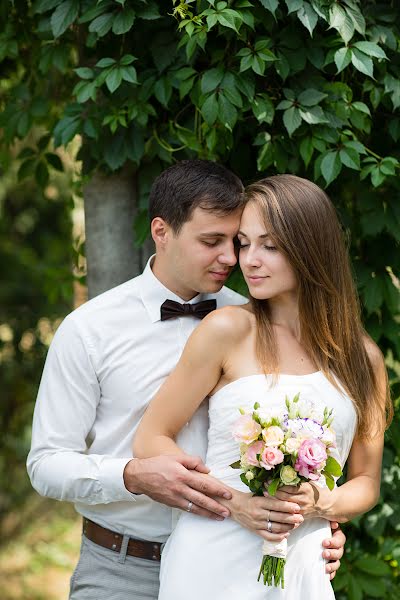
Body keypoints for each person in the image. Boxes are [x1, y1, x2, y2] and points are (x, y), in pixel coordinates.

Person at [27, 162, 345, 600]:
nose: (231, 258)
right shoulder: (89, 330)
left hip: (238, 564)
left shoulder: (258, 321)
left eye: (234, 242)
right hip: (122, 568)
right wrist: (131, 475)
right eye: (210, 242)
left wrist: (313, 528)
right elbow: (45, 464)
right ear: (162, 231)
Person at [134, 174, 392, 599]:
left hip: (303, 564)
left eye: (269, 246)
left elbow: (364, 482)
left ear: (311, 248)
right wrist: (233, 503)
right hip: (210, 558)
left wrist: (319, 503)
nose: (249, 260)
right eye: (245, 243)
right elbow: (150, 438)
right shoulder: (228, 330)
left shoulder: (363, 360)